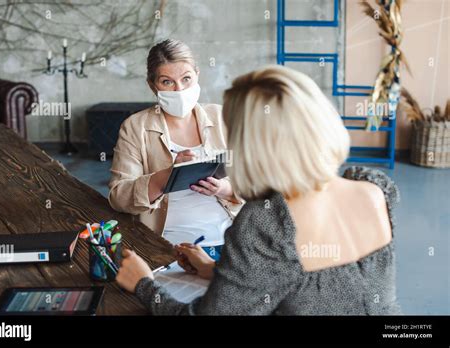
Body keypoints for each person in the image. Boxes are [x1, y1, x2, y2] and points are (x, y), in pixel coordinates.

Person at [116, 65, 402, 315]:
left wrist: (144, 285)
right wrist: (214, 272)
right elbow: (326, 290)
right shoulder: (375, 190)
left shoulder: (266, 222)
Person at [108, 39, 243, 260]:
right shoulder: (136, 127)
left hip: (230, 241)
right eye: (167, 82)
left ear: (197, 75)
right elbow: (119, 197)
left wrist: (224, 189)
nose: (179, 89)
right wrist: (166, 178)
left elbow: (256, 183)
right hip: (171, 246)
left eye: (186, 79)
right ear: (152, 85)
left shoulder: (222, 117)